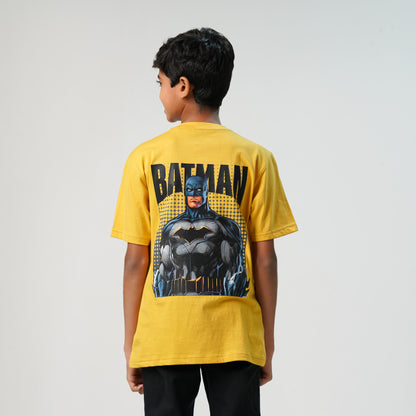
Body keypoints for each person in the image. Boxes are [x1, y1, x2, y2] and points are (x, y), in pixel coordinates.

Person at [111, 27, 298, 416]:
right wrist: (266, 342)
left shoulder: (145, 158)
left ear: (182, 86)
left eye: (161, 83)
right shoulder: (256, 158)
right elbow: (266, 260)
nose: (159, 94)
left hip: (164, 338)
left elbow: (135, 260)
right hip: (235, 338)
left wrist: (132, 345)